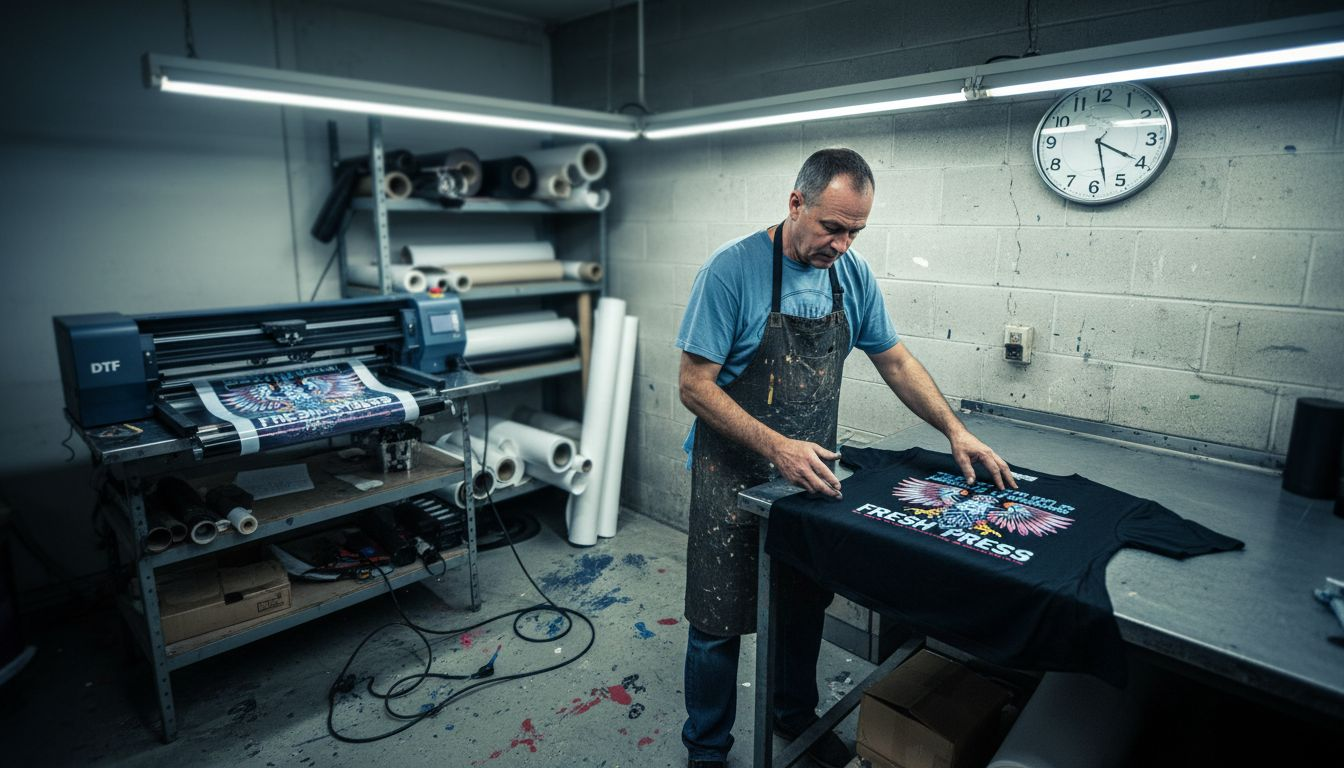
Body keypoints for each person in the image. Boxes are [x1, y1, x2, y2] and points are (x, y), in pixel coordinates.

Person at [675, 148, 1016, 768]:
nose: (842, 242)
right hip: (732, 474)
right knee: (717, 620)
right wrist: (775, 444)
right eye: (833, 226)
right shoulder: (731, 271)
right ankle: (706, 749)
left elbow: (896, 361)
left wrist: (954, 431)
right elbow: (694, 385)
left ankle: (792, 718)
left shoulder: (850, 277)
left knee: (803, 605)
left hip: (809, 478)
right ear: (795, 202)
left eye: (856, 230)